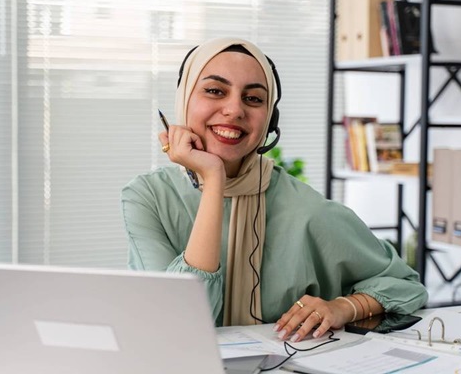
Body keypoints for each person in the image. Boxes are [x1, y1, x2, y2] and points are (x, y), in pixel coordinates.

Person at [121, 37, 428, 343]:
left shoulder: (307, 211)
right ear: (184, 99)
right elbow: (176, 320)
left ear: (269, 120)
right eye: (215, 91)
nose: (234, 109)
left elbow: (404, 284)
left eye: (253, 98)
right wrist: (214, 179)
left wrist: (344, 307)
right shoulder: (147, 197)